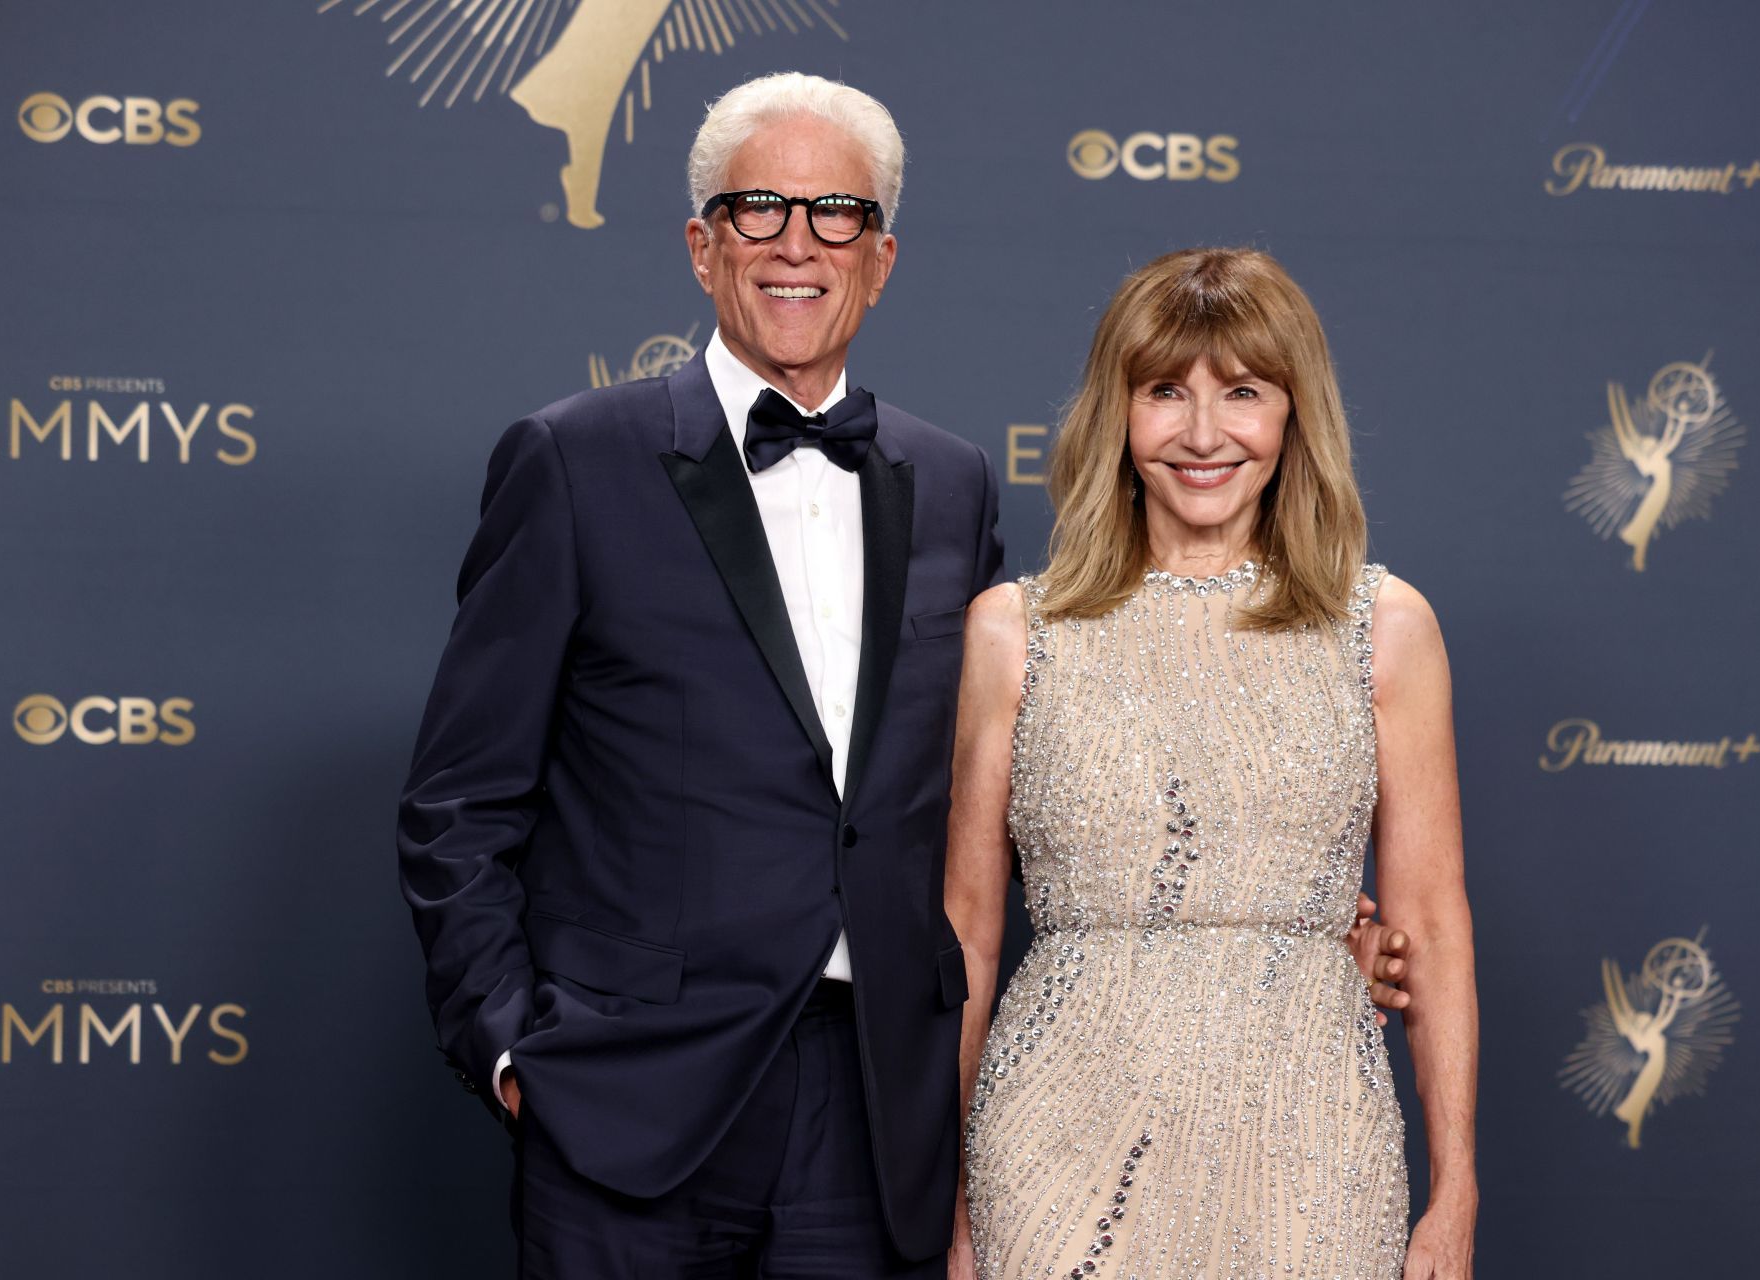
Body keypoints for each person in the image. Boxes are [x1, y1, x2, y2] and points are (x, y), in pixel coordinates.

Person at [399, 72, 1416, 1279]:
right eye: (758, 209)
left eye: (835, 215)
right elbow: (459, 801)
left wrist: (1275, 944)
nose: (796, 245)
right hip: (630, 1098)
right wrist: (517, 1052)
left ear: (880, 259)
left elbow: (1030, 790)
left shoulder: (952, 483)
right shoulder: (574, 459)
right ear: (700, 244)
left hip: (881, 1107)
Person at [945, 248, 1478, 1280]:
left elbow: (1435, 921)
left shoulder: (1383, 627)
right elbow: (966, 933)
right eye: (1163, 393)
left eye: (1242, 392)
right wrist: (955, 1205)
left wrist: (1454, 1193)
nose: (1201, 434)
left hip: (1312, 1141)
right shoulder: (1014, 631)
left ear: (1292, 416)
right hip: (1056, 1134)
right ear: (1118, 415)